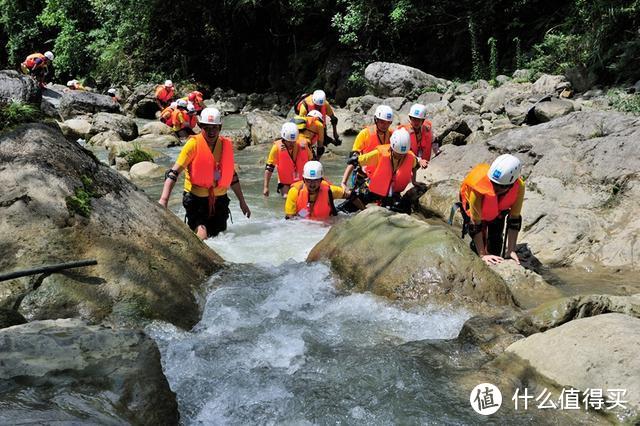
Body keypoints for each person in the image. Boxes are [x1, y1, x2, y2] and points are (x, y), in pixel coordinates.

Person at [158, 107, 251, 240]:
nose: (211, 132)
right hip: (196, 201)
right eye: (207, 128)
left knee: (221, 239)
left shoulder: (225, 145)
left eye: (214, 128)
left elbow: (232, 176)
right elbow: (173, 173)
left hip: (220, 202)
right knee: (203, 237)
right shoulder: (193, 144)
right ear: (201, 126)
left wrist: (242, 202)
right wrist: (164, 200)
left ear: (220, 127)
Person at [459, 154, 525, 265]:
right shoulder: (479, 188)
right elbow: (475, 223)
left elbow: (514, 219)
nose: (495, 189)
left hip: (498, 211)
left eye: (501, 187)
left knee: (496, 241)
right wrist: (482, 255)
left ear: (512, 184)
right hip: (478, 211)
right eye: (493, 184)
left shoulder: (519, 187)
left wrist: (511, 250)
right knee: (479, 245)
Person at [342, 128, 417, 214]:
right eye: (397, 153)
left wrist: (414, 181)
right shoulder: (379, 154)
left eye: (403, 154)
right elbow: (354, 161)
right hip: (372, 190)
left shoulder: (409, 158)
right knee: (346, 207)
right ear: (392, 148)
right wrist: (343, 183)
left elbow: (415, 165)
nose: (400, 156)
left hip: (392, 192)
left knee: (403, 210)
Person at [341, 104, 394, 190]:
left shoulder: (392, 135)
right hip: (363, 175)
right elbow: (353, 159)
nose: (385, 125)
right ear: (376, 120)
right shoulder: (365, 133)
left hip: (382, 175)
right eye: (382, 122)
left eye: (388, 123)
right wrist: (343, 182)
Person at [284, 161, 349, 220]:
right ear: (304, 179)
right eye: (309, 180)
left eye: (316, 180)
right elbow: (290, 219)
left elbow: (352, 195)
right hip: (303, 227)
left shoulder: (330, 190)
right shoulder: (294, 192)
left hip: (325, 227)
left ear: (321, 180)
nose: (312, 184)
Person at [263, 122, 313, 198]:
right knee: (287, 197)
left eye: (293, 142)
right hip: (285, 181)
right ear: (284, 139)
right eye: (289, 142)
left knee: (303, 197)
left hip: (301, 180)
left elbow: (312, 162)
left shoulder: (303, 145)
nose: (291, 145)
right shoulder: (276, 148)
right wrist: (266, 187)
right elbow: (269, 168)